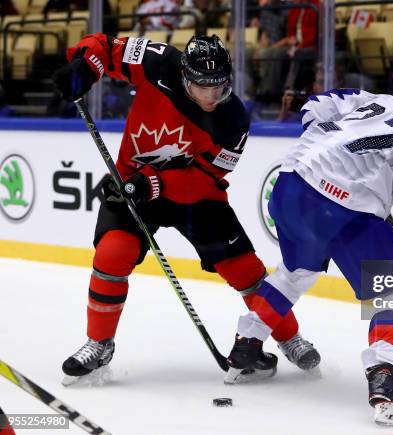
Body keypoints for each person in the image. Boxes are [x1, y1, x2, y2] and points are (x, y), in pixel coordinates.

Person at [52, 33, 320, 383]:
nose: (212, 95)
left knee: (244, 268)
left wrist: (154, 183)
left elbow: (203, 179)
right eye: (202, 86)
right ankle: (99, 343)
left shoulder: (233, 120)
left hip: (196, 194)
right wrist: (86, 67)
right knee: (112, 252)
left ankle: (290, 337)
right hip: (132, 184)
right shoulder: (157, 61)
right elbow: (102, 45)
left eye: (219, 85)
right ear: (184, 76)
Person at [224, 88, 393, 425]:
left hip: (291, 180)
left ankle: (246, 349)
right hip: (339, 203)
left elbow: (318, 104)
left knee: (296, 272)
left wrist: (328, 160)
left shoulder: (387, 100)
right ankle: (386, 384)